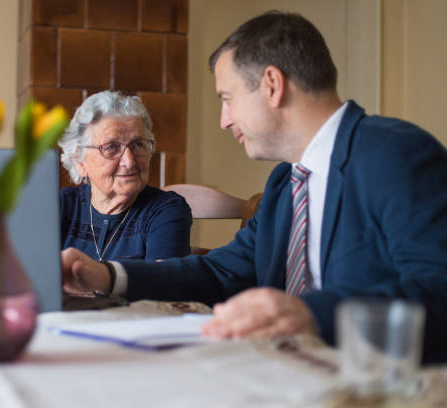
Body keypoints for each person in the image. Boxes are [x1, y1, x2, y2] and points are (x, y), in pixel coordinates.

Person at [61, 12, 447, 363]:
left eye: (227, 99)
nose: (224, 120)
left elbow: (439, 292)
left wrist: (312, 313)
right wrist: (107, 276)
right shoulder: (286, 181)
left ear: (272, 85)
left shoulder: (396, 153)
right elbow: (219, 272)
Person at [58, 90, 192, 265]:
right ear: (80, 162)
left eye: (138, 145)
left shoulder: (165, 211)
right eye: (112, 147)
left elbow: (162, 286)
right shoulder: (59, 206)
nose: (129, 161)